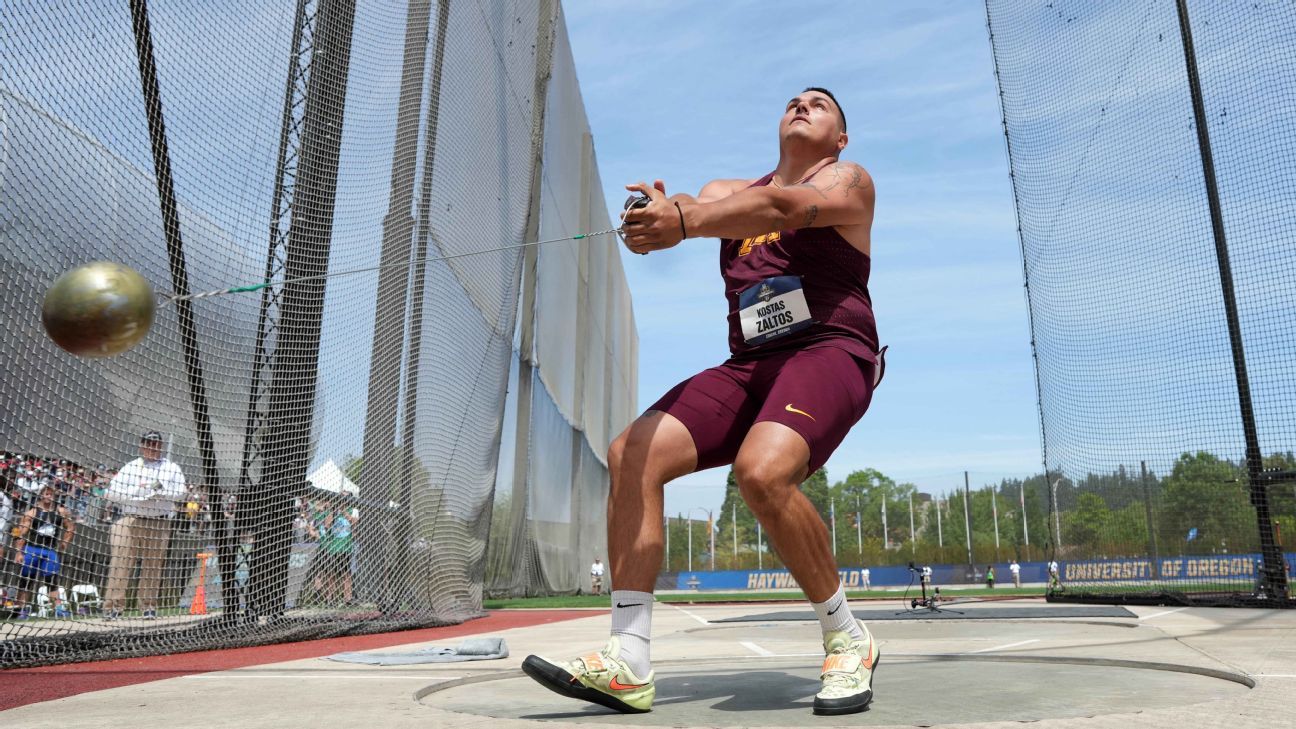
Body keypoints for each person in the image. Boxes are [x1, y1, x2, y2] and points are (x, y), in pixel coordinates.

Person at [523, 87, 882, 716]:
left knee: (762, 473)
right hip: (749, 366)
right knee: (630, 453)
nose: (802, 105)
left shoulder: (849, 180)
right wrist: (658, 215)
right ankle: (627, 661)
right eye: (793, 100)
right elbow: (699, 202)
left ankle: (847, 636)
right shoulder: (728, 190)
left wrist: (684, 225)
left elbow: (779, 205)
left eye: (820, 104)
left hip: (830, 350)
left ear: (841, 137)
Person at [103, 431, 186, 620]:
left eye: (155, 444)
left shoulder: (171, 467)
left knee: (153, 565)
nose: (151, 447)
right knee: (120, 563)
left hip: (159, 520)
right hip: (130, 518)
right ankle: (113, 608)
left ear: (160, 446)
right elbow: (111, 493)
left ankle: (148, 606)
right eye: (148, 443)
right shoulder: (130, 467)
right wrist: (137, 492)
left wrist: (162, 493)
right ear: (141, 445)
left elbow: (181, 493)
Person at [11, 483, 75, 618]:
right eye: (46, 493)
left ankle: (57, 608)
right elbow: (19, 532)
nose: (49, 496)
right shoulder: (32, 512)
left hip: (50, 550)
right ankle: (20, 610)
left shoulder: (61, 512)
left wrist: (64, 543)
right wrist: (18, 552)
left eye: (51, 494)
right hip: (32, 549)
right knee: (26, 580)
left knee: (52, 580)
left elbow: (70, 528)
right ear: (41, 495)